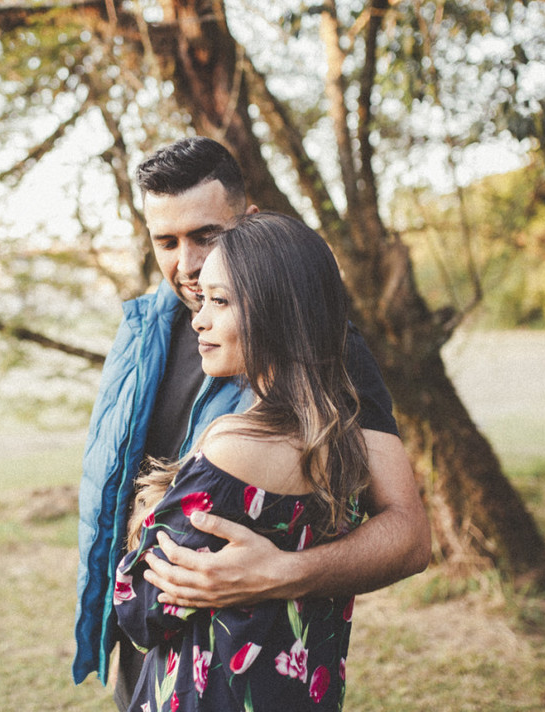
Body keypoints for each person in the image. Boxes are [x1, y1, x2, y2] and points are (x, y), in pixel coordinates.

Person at [73, 137, 429, 708]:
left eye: (205, 236)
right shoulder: (142, 331)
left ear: (250, 224)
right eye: (166, 241)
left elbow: (409, 536)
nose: (185, 265)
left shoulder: (324, 350)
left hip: (243, 669)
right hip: (146, 660)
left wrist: (283, 572)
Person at [115, 212, 373, 710]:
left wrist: (149, 508)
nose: (199, 318)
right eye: (201, 300)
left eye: (220, 301)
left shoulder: (235, 447)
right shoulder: (343, 435)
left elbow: (139, 609)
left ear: (274, 312)